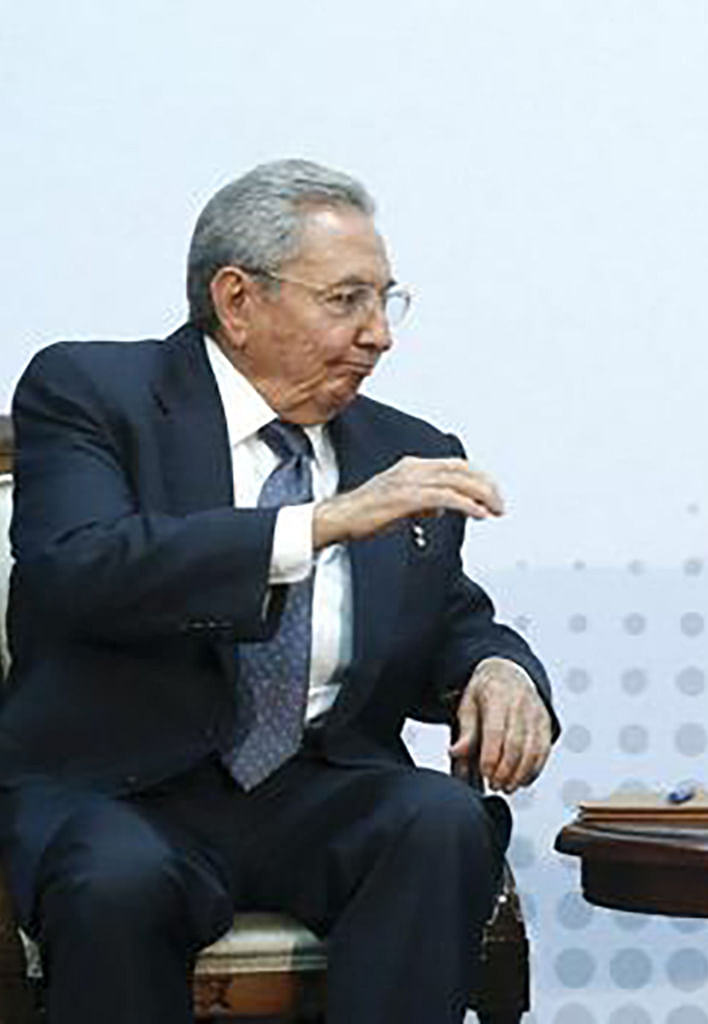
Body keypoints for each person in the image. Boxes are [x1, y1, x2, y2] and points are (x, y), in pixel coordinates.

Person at [0, 159, 557, 1023]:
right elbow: (80, 567)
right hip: (123, 793)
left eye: (386, 300)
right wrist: (320, 523)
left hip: (314, 790)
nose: (379, 335)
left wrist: (498, 670)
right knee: (118, 882)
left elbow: (449, 616)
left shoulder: (400, 446)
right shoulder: (94, 394)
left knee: (438, 820)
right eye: (346, 300)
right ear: (238, 300)